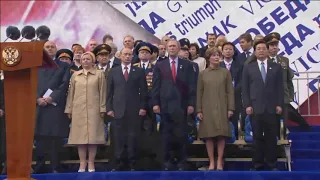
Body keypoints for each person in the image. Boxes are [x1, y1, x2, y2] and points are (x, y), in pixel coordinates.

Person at [152, 39, 196, 170]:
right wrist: (155, 103)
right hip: (165, 106)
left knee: (181, 134)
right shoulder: (160, 65)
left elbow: (192, 86)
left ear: (178, 49)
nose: (172, 48)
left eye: (174, 46)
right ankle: (167, 161)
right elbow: (155, 86)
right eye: (169, 46)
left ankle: (182, 161)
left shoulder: (187, 65)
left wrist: (191, 104)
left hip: (181, 106)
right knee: (166, 135)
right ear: (166, 48)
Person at [242, 40, 284, 171]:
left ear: (268, 50)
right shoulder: (249, 67)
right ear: (254, 51)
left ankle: (272, 164)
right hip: (255, 107)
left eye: (263, 48)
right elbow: (245, 88)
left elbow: (280, 88)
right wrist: (247, 105)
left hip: (272, 108)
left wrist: (279, 104)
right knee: (257, 137)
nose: (261, 50)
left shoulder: (276, 67)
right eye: (258, 48)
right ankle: (257, 164)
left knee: (272, 137)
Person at [107, 47, 148, 171]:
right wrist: (109, 108)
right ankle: (119, 162)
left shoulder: (139, 71)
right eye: (125, 54)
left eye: (130, 54)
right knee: (118, 137)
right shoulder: (113, 71)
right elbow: (109, 92)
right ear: (120, 56)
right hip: (117, 109)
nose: (127, 56)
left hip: (134, 110)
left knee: (133, 137)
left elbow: (144, 91)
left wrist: (143, 107)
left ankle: (132, 163)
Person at [65, 51, 107, 172]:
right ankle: (82, 163)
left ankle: (91, 163)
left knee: (93, 138)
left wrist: (102, 108)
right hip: (79, 110)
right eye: (83, 59)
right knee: (80, 139)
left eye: (88, 59)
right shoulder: (75, 75)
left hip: (94, 110)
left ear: (93, 61)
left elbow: (103, 92)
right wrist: (69, 108)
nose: (85, 61)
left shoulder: (99, 74)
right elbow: (70, 94)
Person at [197, 47, 235, 171]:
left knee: (221, 135)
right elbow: (199, 93)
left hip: (222, 106)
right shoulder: (203, 74)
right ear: (208, 58)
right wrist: (199, 110)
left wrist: (230, 108)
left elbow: (230, 91)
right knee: (208, 135)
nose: (217, 57)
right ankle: (211, 161)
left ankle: (219, 161)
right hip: (207, 107)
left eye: (218, 55)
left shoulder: (225, 72)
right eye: (214, 55)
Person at [34, 48, 70, 173]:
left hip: (55, 106)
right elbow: (30, 83)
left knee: (55, 138)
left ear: (56, 50)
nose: (50, 49)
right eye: (47, 47)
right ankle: (39, 166)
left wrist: (51, 98)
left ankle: (56, 166)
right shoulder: (35, 65)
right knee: (40, 138)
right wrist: (37, 98)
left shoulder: (64, 66)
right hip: (38, 106)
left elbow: (64, 84)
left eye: (52, 47)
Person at [265, 32, 294, 137]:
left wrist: (290, 95)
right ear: (267, 47)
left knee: (283, 124)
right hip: (269, 98)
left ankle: (283, 148)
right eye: (272, 45)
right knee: (271, 125)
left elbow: (288, 79)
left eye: (276, 45)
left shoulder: (284, 60)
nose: (274, 47)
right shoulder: (263, 61)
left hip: (283, 97)